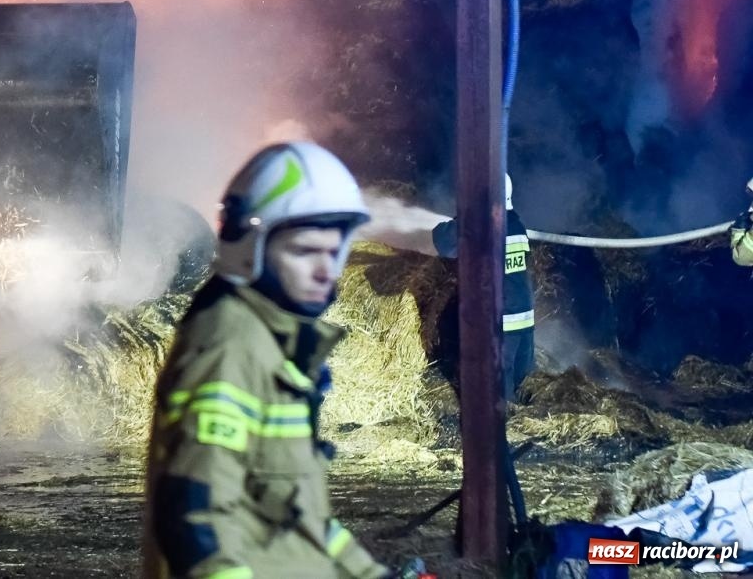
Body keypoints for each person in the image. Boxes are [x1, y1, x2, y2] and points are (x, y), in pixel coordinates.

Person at [143, 141, 389, 579]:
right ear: (249, 245)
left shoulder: (276, 344)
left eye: (335, 252)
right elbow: (194, 519)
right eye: (305, 252)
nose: (326, 271)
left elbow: (303, 522)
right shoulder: (230, 345)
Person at [356, 175, 534, 404]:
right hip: (524, 321)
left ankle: (502, 433)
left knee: (496, 396)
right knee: (525, 387)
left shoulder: (479, 225)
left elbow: (443, 242)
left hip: (499, 324)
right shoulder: (516, 223)